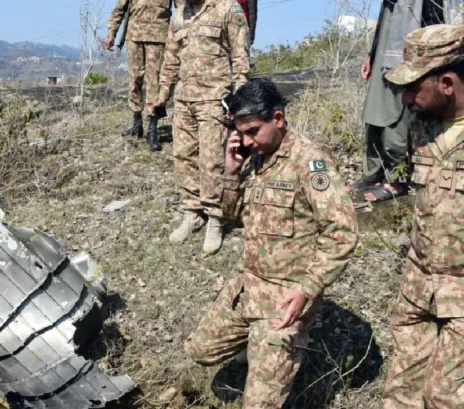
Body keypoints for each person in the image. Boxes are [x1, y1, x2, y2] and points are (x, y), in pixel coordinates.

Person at [184, 78, 359, 407]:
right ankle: (252, 345)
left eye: (252, 131)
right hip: (248, 285)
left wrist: (308, 287)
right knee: (199, 350)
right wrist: (231, 172)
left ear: (277, 119)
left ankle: (280, 349)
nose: (246, 140)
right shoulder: (255, 157)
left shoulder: (310, 162)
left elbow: (342, 231)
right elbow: (234, 216)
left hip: (286, 296)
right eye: (241, 132)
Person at [381, 24, 464, 408]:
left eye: (413, 88)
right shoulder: (421, 124)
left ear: (447, 82)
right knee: (400, 394)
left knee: (444, 397)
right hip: (420, 282)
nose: (405, 99)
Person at [156, 0, 250, 255]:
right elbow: (171, 58)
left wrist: (240, 97)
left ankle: (215, 218)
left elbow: (240, 54)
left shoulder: (227, 9)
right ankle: (191, 212)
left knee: (212, 161)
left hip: (214, 98)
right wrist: (163, 92)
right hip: (184, 99)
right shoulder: (179, 14)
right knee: (183, 156)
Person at [351, 0, 444, 202]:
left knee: (396, 115)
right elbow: (384, 25)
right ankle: (372, 173)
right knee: (375, 111)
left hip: (407, 60)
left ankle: (396, 181)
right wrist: (372, 55)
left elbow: (435, 26)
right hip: (384, 57)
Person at [105, 0, 181, 151]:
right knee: (134, 80)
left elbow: (183, 9)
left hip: (158, 37)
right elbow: (120, 8)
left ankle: (152, 128)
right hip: (134, 36)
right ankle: (137, 124)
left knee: (154, 82)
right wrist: (111, 33)